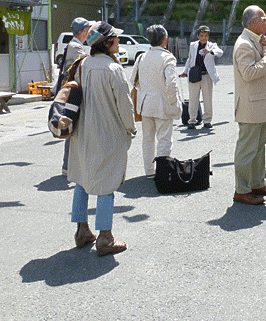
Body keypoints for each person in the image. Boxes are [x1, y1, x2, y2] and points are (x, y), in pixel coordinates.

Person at [67, 22, 136, 256]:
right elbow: (125, 106)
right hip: (107, 133)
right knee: (107, 183)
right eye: (115, 39)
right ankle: (105, 237)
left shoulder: (82, 64)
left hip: (82, 132)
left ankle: (82, 231)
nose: (118, 42)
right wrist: (131, 127)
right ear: (106, 43)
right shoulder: (113, 69)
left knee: (82, 179)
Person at [232, 5, 266, 205]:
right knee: (246, 150)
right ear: (253, 22)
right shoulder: (244, 43)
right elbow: (249, 73)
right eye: (263, 18)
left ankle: (257, 183)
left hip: (259, 105)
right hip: (251, 106)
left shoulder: (256, 40)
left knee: (259, 147)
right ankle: (242, 190)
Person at [132, 25, 181, 178]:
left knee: (148, 139)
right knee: (164, 139)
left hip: (145, 104)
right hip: (163, 104)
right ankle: (162, 171)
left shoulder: (141, 57)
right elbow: (171, 84)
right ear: (165, 40)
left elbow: (133, 80)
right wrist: (173, 102)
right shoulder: (168, 58)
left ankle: (149, 172)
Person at [61, 17, 90, 176]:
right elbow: (83, 65)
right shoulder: (75, 47)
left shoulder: (74, 45)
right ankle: (68, 165)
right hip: (73, 93)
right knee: (72, 127)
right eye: (88, 31)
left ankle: (70, 165)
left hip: (72, 91)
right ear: (84, 31)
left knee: (73, 127)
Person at [181, 25, 223, 129]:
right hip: (194, 74)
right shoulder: (193, 45)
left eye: (206, 36)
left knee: (207, 99)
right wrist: (185, 71)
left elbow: (220, 52)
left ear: (208, 37)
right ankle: (192, 120)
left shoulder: (212, 45)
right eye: (202, 35)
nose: (204, 38)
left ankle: (207, 120)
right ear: (198, 36)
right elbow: (189, 59)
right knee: (193, 98)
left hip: (207, 75)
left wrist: (210, 51)